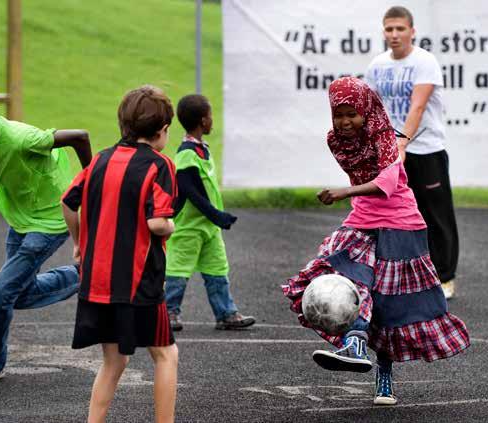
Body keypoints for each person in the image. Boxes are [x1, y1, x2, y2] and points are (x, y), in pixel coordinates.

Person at [282, 77, 470, 406]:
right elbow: (363, 170)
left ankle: (384, 374)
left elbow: (386, 181)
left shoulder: (385, 136)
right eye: (338, 114)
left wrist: (348, 189)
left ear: (365, 109)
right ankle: (353, 343)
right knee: (346, 275)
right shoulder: (336, 140)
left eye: (351, 113)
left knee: (389, 307)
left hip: (400, 222)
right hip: (364, 219)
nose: (344, 121)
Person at [0, 81, 91, 383]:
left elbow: (81, 137)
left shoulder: (19, 138)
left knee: (0, 292)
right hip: (21, 219)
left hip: (53, 217)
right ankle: (87, 275)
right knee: (16, 293)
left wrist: (93, 187)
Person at [62, 86, 179, 422]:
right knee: (165, 355)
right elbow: (158, 223)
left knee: (114, 361)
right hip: (139, 282)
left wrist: (78, 243)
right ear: (162, 131)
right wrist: (169, 227)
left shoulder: (100, 158)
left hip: (97, 282)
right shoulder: (160, 165)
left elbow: (68, 202)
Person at [364, 5, 460, 299]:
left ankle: (445, 278)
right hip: (390, 153)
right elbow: (372, 109)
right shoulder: (377, 66)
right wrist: (377, 146)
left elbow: (418, 106)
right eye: (389, 29)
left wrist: (402, 143)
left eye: (400, 29)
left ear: (412, 31)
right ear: (384, 32)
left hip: (425, 150)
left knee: (435, 215)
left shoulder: (424, 61)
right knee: (391, 216)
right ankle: (399, 276)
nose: (394, 35)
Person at [164, 94, 255, 331]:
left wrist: (214, 218)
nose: (212, 120)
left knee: (217, 269)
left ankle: (226, 313)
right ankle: (168, 312)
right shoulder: (186, 153)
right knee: (178, 270)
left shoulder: (201, 149)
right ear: (203, 120)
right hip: (189, 227)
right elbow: (189, 191)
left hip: (208, 227)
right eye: (210, 116)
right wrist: (216, 214)